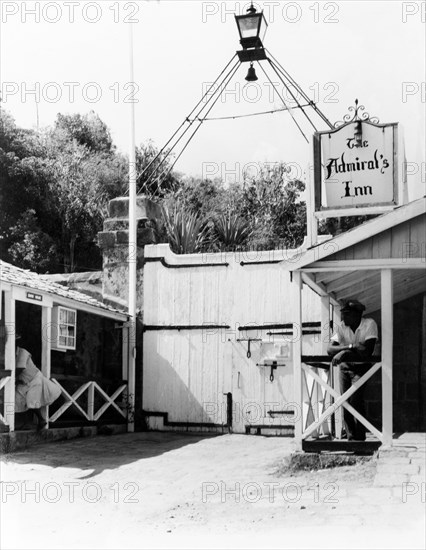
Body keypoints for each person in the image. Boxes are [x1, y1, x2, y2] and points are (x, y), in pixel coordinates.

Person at [327, 300, 378, 441]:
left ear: (358, 315)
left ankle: (360, 439)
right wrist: (349, 347)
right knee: (345, 401)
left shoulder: (369, 324)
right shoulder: (341, 327)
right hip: (345, 367)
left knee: (356, 401)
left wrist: (344, 353)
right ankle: (351, 438)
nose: (343, 318)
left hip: (361, 367)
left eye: (347, 314)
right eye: (343, 314)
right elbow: (330, 349)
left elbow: (367, 350)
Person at [15, 336, 61, 430]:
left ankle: (41, 420)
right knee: (17, 401)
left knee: (32, 401)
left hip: (34, 379)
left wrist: (13, 379)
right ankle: (24, 423)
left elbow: (20, 368)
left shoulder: (23, 352)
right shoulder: (9, 354)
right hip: (23, 382)